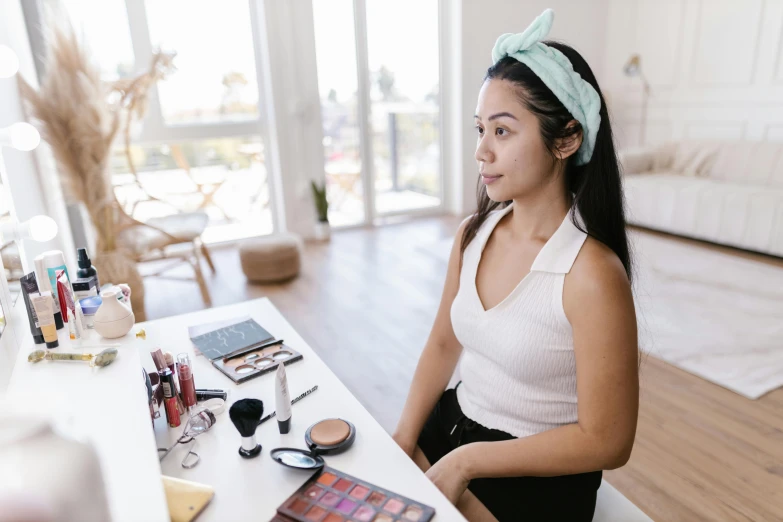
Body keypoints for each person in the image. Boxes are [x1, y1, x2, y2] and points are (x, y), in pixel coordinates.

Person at [392, 9, 639, 522]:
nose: (481, 150)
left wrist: (468, 462)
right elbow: (442, 344)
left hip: (537, 476)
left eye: (502, 132)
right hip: (454, 428)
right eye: (481, 129)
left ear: (566, 140)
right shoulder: (472, 234)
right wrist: (401, 438)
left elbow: (609, 441)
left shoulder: (591, 274)